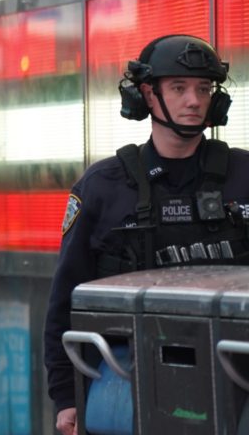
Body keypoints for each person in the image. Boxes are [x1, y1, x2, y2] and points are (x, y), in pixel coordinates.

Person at [43, 34, 249, 435]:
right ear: (146, 96)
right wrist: (66, 397)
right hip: (127, 376)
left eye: (204, 89)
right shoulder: (104, 186)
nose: (194, 100)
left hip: (235, 371)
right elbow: (64, 300)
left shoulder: (245, 176)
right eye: (178, 88)